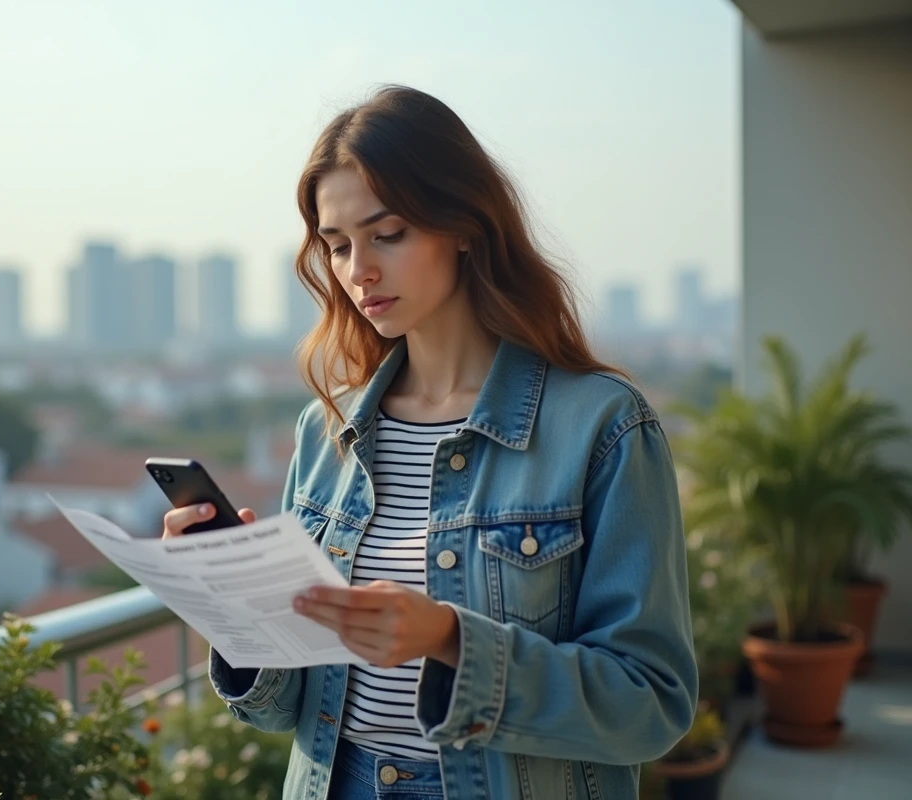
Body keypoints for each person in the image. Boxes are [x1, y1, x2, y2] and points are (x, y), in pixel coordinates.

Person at [163, 85, 697, 800]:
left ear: (465, 225)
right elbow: (285, 710)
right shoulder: (327, 430)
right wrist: (234, 608)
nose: (359, 272)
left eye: (388, 234)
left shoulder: (603, 427)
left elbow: (651, 705)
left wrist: (450, 638)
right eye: (339, 245)